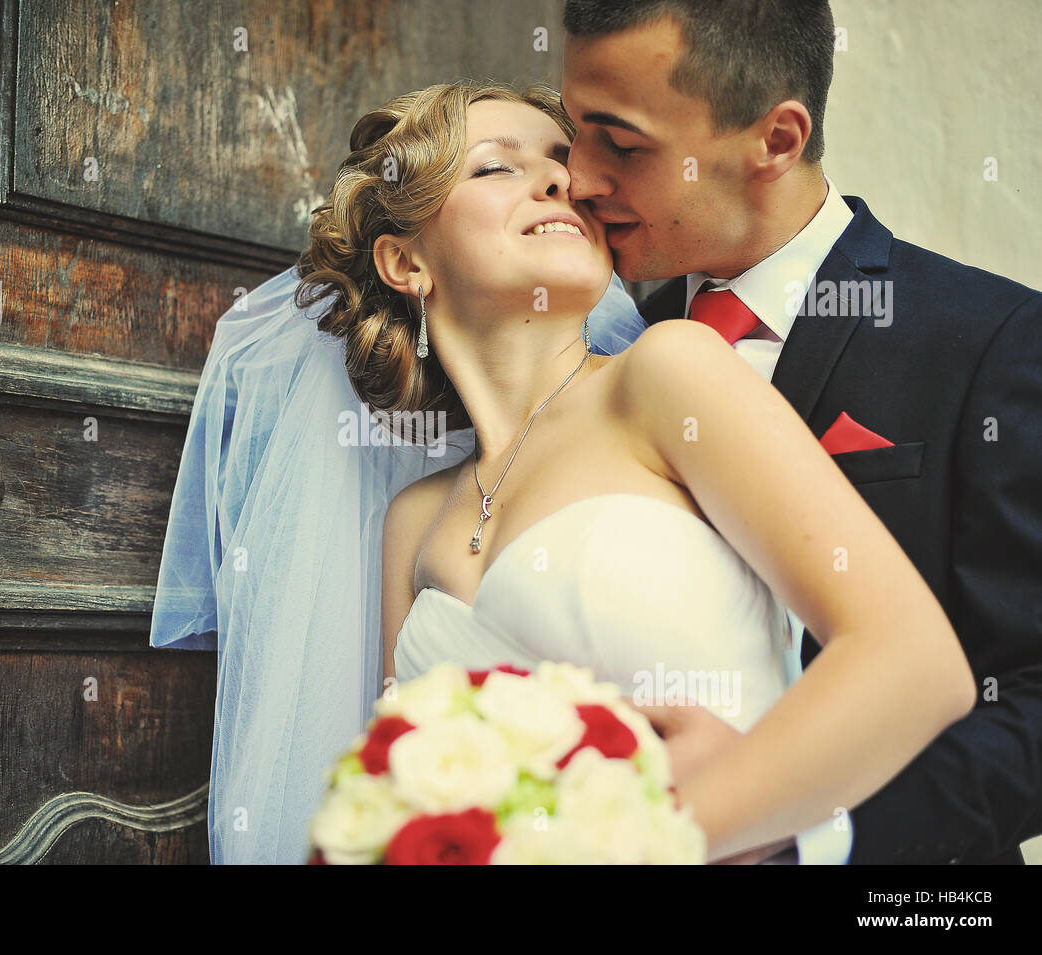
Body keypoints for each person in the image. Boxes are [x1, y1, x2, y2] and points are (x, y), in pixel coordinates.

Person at [155, 79, 976, 864]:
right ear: (406, 264)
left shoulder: (668, 375)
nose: (558, 179)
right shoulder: (414, 521)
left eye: (562, 161)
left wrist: (635, 837)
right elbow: (414, 795)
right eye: (498, 165)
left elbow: (918, 665)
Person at [559, 0, 1042, 864]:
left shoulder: (990, 340)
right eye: (574, 134)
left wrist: (806, 832)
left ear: (776, 140)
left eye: (623, 145)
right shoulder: (589, 353)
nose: (581, 178)